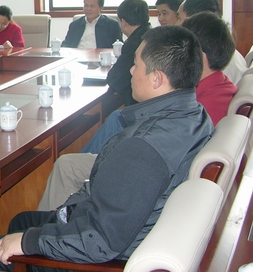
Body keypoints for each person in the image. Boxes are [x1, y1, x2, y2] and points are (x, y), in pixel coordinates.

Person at [0, 26, 212, 272]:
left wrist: (31, 242)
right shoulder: (193, 115)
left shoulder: (143, 148)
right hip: (122, 237)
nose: (130, 70)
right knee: (21, 221)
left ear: (157, 79)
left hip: (104, 267)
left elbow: (100, 241)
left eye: (137, 64)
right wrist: (56, 218)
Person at [38, 12, 237, 211]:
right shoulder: (210, 91)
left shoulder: (208, 103)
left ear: (198, 56)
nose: (132, 70)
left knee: (72, 162)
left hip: (148, 180)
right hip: (154, 173)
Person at [176, 0, 247, 84]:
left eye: (179, 19)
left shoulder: (214, 64)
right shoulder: (222, 50)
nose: (176, 25)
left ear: (197, 20)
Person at [106, 0, 151, 105]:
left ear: (123, 22)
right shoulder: (151, 33)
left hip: (137, 104)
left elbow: (116, 80)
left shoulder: (135, 43)